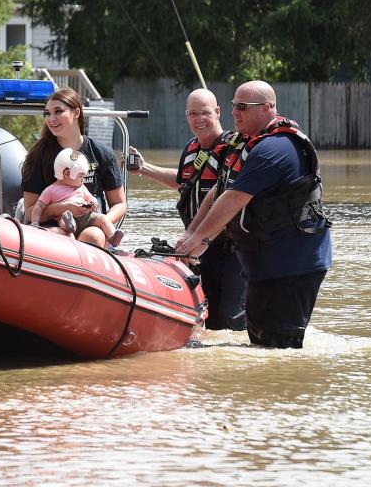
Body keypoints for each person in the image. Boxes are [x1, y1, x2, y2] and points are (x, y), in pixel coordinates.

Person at [175, 80, 332, 349]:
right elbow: (220, 189)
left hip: (291, 265)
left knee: (278, 346)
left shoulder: (276, 149)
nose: (236, 112)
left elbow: (236, 198)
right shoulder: (244, 145)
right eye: (235, 105)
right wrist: (192, 233)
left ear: (268, 108)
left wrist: (200, 240)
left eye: (243, 107)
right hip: (264, 263)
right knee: (260, 343)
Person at [129, 88, 247, 331]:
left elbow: (226, 196)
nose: (199, 119)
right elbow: (184, 181)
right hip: (197, 247)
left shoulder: (233, 148)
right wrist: (144, 168)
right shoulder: (192, 148)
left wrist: (196, 235)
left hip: (229, 247)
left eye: (204, 113)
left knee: (228, 318)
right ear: (186, 115)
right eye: (193, 114)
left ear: (218, 112)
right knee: (208, 318)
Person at [21, 87, 127, 249]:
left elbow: (119, 203)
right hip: (54, 226)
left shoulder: (101, 153)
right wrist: (64, 208)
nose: (51, 119)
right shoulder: (38, 156)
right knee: (54, 235)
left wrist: (99, 220)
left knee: (94, 235)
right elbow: (29, 210)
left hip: (91, 225)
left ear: (76, 112)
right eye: (47, 113)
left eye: (58, 111)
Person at [30, 148, 125, 246]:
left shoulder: (81, 187)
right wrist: (35, 222)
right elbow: (39, 206)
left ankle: (112, 235)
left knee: (102, 218)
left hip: (87, 217)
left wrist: (93, 202)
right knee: (64, 220)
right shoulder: (50, 190)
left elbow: (89, 197)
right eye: (81, 176)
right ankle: (70, 226)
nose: (83, 180)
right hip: (67, 218)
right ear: (67, 174)